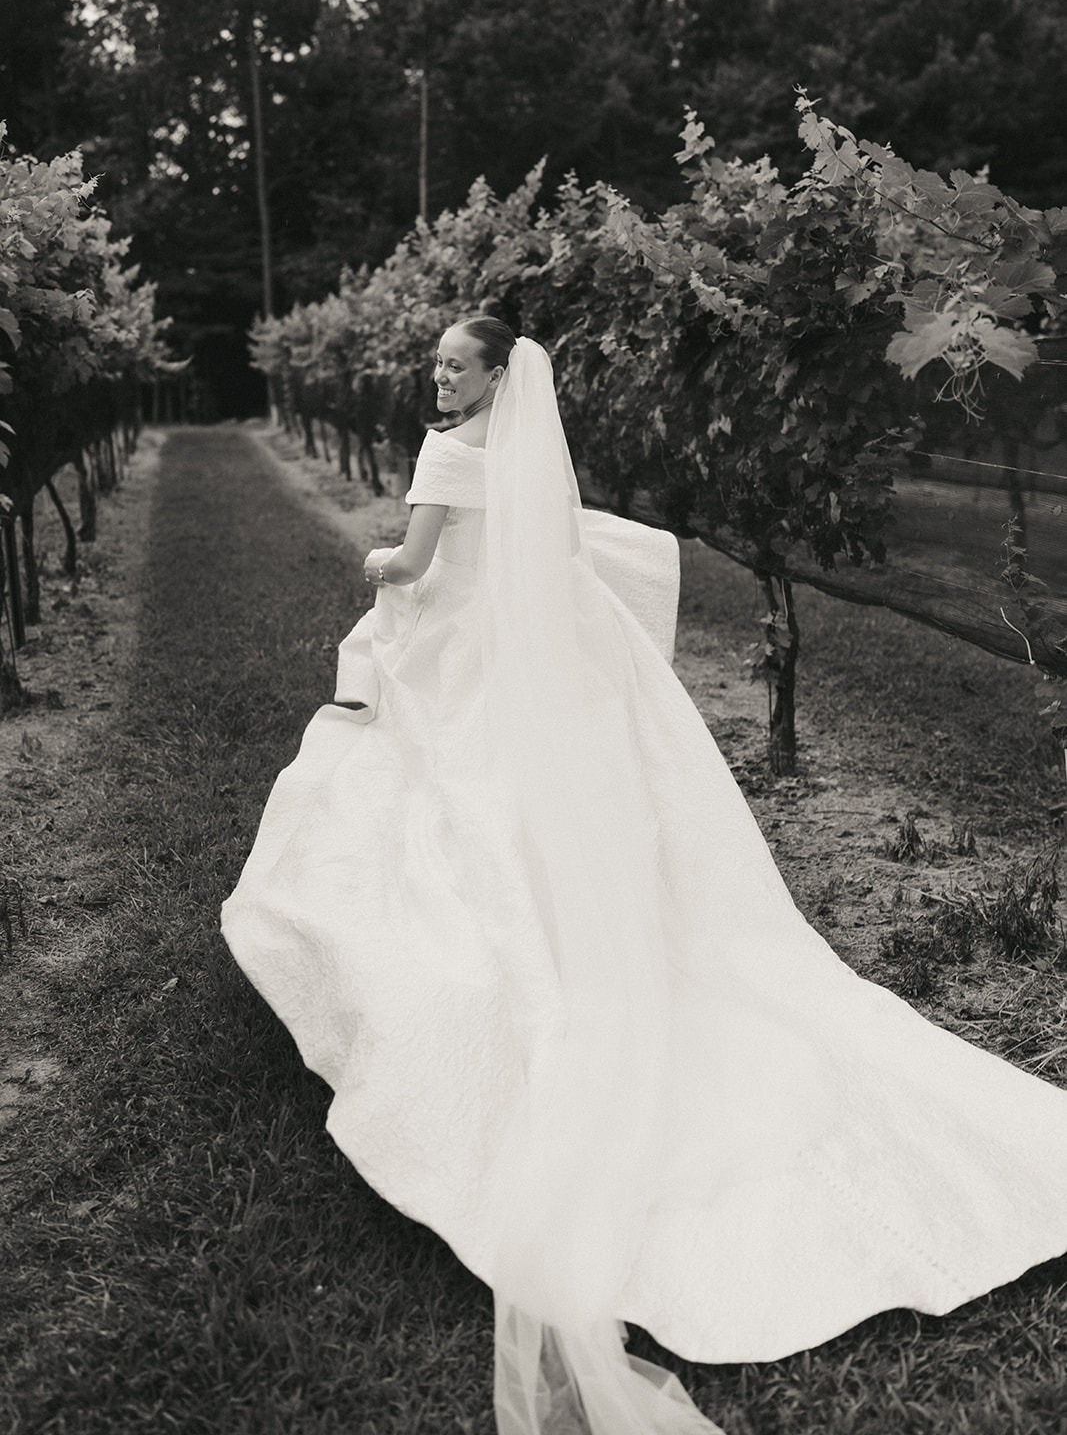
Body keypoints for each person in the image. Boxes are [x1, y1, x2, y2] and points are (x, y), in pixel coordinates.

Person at [222, 321, 1067, 1435]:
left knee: (416, 822)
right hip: (529, 659)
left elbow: (416, 566)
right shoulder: (518, 455)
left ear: (487, 378)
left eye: (450, 366)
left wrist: (375, 561)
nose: (437, 377)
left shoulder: (441, 458)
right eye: (431, 363)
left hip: (460, 664)